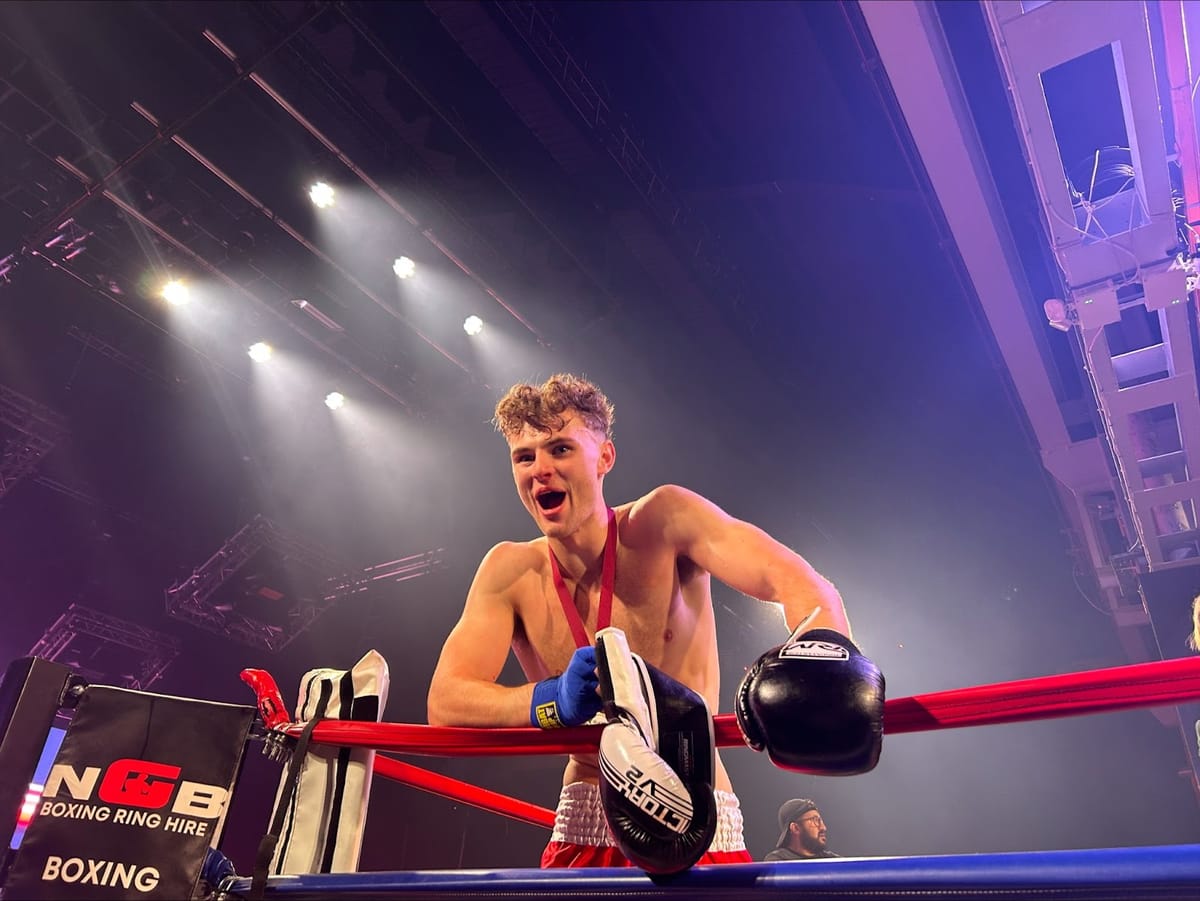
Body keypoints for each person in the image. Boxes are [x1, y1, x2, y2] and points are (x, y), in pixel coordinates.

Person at [426, 374, 883, 870]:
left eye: (560, 449)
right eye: (524, 457)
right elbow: (446, 701)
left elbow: (802, 587)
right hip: (586, 819)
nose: (541, 470)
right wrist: (550, 699)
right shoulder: (509, 571)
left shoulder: (663, 522)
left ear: (604, 457)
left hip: (698, 809)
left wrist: (825, 655)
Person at [764, 798, 839, 860]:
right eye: (815, 821)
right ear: (795, 828)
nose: (823, 828)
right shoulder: (778, 861)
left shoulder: (831, 860)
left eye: (820, 821)